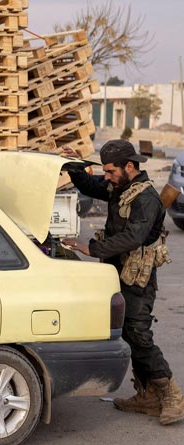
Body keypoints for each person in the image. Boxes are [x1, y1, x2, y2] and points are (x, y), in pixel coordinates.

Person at [62, 139, 184, 426]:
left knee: (138, 334)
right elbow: (91, 186)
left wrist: (91, 248)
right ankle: (147, 395)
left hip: (138, 278)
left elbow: (133, 237)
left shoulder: (146, 198)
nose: (106, 177)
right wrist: (75, 166)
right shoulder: (119, 186)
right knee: (127, 334)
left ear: (129, 166)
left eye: (110, 171)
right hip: (117, 273)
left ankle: (172, 395)